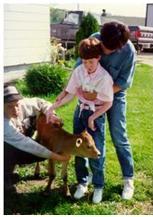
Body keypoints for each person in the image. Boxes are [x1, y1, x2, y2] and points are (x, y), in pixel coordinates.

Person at [50, 21, 136, 201]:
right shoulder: (94, 40)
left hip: (114, 94)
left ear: (120, 47)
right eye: (103, 47)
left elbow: (122, 82)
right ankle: (85, 178)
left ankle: (128, 178)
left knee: (119, 136)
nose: (105, 52)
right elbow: (78, 72)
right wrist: (66, 94)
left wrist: (96, 95)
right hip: (87, 96)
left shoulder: (129, 52)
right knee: (83, 138)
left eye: (110, 51)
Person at [46, 37, 114, 203]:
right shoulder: (79, 71)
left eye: (91, 62)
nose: (87, 66)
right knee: (77, 148)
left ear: (98, 58)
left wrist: (93, 117)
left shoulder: (104, 78)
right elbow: (70, 94)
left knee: (97, 151)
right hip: (80, 112)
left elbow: (108, 102)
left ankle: (98, 186)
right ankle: (82, 182)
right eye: (84, 61)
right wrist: (53, 108)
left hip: (96, 114)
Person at [4, 84, 70, 191]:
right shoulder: (4, 125)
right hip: (11, 145)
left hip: (19, 140)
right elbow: (27, 145)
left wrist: (51, 114)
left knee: (28, 125)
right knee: (7, 149)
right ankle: (5, 175)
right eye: (9, 106)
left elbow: (40, 103)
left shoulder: (22, 104)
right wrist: (58, 157)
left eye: (16, 104)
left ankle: (10, 168)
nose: (16, 109)